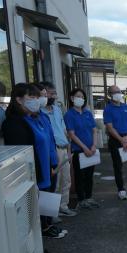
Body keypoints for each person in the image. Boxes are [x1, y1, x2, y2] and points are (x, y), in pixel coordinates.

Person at [2, 83, 65, 239]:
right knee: (31, 216)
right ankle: (39, 250)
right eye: (32, 97)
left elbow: (48, 142)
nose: (37, 101)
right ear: (18, 99)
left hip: (45, 172)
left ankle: (46, 231)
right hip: (31, 176)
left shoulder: (36, 118)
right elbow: (23, 154)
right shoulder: (14, 123)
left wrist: (52, 163)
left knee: (42, 209)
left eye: (38, 97)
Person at [41, 81, 77, 218]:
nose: (54, 96)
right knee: (54, 182)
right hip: (52, 150)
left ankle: (63, 206)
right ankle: (52, 212)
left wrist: (68, 147)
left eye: (54, 93)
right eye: (51, 93)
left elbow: (64, 130)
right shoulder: (40, 112)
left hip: (63, 148)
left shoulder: (57, 109)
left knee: (66, 180)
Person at [64, 87, 99, 210]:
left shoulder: (87, 113)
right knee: (79, 176)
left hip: (92, 149)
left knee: (89, 175)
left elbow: (94, 130)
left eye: (83, 97)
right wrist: (84, 148)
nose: (81, 99)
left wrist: (94, 145)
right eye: (78, 96)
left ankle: (89, 197)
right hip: (79, 150)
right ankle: (81, 199)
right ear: (72, 98)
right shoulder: (69, 115)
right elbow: (72, 134)